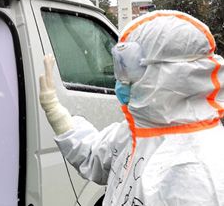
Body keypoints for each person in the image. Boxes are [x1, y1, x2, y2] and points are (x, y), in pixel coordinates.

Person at [39, 10, 224, 205]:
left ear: (168, 71)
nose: (120, 79)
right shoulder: (137, 133)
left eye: (127, 67)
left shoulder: (201, 168)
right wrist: (54, 110)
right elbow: (94, 156)